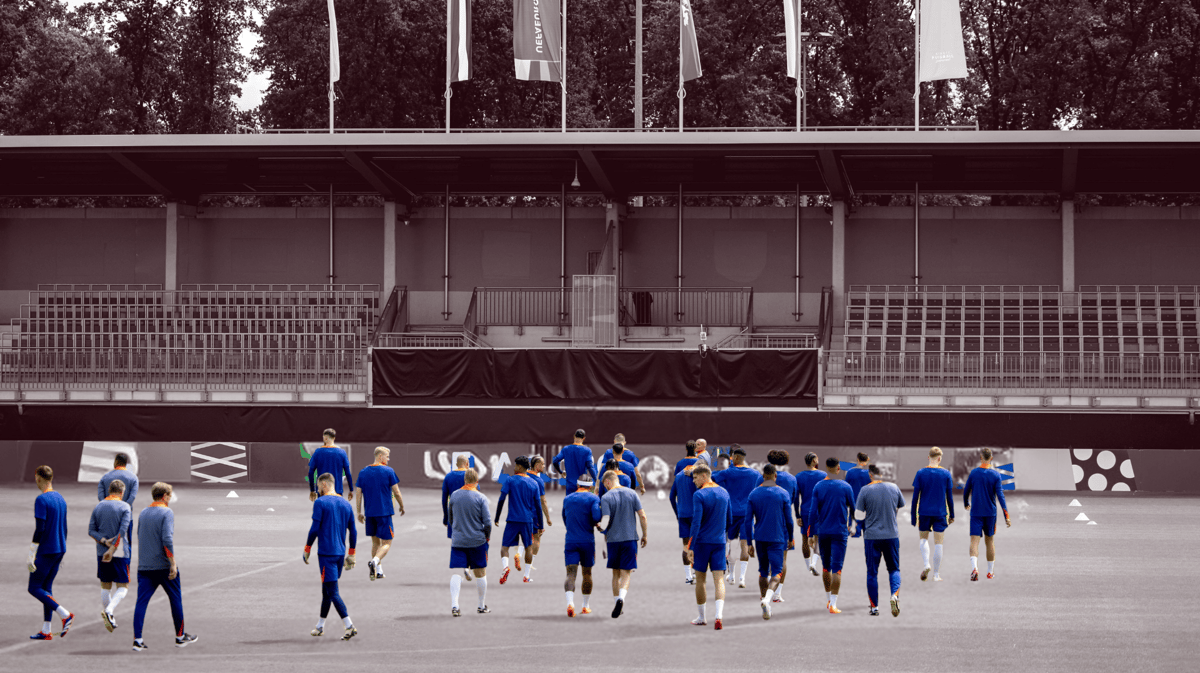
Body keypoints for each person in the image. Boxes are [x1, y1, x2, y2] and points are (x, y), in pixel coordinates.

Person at [132, 482, 197, 650]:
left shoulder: (144, 512)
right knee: (175, 598)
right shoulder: (167, 512)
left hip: (145, 566)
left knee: (141, 603)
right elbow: (167, 539)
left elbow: (140, 535)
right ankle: (180, 637)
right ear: (165, 496)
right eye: (169, 495)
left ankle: (137, 640)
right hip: (163, 566)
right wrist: (173, 563)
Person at [304, 473, 358, 640]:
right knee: (327, 590)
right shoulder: (346, 504)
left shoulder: (320, 503)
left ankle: (349, 626)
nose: (318, 490)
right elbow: (353, 531)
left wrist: (307, 548)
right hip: (340, 554)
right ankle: (320, 626)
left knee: (332, 591)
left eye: (319, 486)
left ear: (325, 484)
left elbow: (314, 529)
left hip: (327, 554)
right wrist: (352, 554)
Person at [27, 465, 74, 641]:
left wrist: (32, 553)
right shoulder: (61, 498)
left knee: (34, 588)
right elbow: (65, 527)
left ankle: (65, 614)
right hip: (60, 548)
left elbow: (40, 529)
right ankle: (46, 630)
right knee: (46, 588)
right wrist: (62, 550)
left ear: (39, 477)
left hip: (47, 550)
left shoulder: (42, 500)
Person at [855, 464, 905, 617]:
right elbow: (899, 506)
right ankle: (894, 596)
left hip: (872, 537)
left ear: (870, 475)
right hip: (891, 535)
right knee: (894, 569)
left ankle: (875, 607)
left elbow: (858, 516)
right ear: (882, 474)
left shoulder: (865, 490)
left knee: (872, 573)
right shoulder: (894, 488)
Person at [686, 463, 731, 629]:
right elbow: (730, 519)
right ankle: (719, 616)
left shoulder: (699, 495)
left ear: (704, 476)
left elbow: (696, 523)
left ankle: (702, 617)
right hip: (719, 542)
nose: (693, 481)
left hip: (702, 543)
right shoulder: (724, 492)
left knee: (700, 580)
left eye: (695, 478)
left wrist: (690, 546)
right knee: (719, 579)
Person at [746, 464, 794, 620]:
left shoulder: (754, 494)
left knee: (762, 572)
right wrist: (791, 537)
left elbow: (747, 521)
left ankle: (763, 601)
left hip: (760, 538)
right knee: (777, 572)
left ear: (763, 476)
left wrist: (748, 543)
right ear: (775, 476)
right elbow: (789, 520)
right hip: (777, 538)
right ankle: (767, 600)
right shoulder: (783, 493)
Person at [598, 470, 647, 618]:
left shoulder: (606, 497)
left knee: (615, 574)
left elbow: (605, 519)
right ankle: (621, 598)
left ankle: (616, 602)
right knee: (626, 573)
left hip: (613, 540)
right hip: (630, 539)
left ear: (607, 481)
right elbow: (642, 516)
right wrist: (645, 534)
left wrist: (600, 528)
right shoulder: (632, 493)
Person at [712, 445, 762, 587]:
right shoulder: (755, 474)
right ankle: (742, 578)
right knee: (744, 545)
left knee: (731, 544)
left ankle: (732, 575)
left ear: (735, 458)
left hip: (731, 513)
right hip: (747, 513)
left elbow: (710, 478)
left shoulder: (727, 473)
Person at [810, 457, 855, 614]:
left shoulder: (819, 486)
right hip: (840, 533)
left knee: (825, 568)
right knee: (837, 569)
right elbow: (854, 509)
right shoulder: (846, 486)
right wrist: (853, 525)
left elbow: (812, 512)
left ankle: (829, 599)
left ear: (826, 468)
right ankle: (834, 604)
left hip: (823, 532)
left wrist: (811, 534)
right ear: (838, 469)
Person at [89, 479, 133, 632]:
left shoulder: (99, 506)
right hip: (120, 552)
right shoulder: (125, 507)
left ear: (109, 491)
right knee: (123, 586)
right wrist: (113, 548)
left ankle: (110, 618)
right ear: (122, 492)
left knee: (105, 585)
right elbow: (122, 531)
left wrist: (104, 542)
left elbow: (91, 530)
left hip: (102, 551)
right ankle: (109, 611)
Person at [355, 446, 405, 581]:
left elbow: (358, 493)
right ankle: (375, 561)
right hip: (384, 512)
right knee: (387, 543)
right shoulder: (388, 471)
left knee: (375, 543)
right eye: (387, 457)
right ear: (380, 456)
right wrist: (401, 506)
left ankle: (379, 571)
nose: (388, 460)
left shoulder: (363, 472)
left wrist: (359, 511)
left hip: (370, 513)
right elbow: (397, 492)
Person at [447, 468, 491, 616]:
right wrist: (487, 537)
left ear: (464, 480)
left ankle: (455, 605)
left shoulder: (454, 495)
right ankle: (481, 605)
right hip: (477, 540)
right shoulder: (481, 498)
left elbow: (451, 518)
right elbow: (488, 523)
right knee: (480, 572)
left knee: (457, 572)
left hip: (459, 540)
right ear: (477, 481)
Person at [964, 447, 1011, 581]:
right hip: (990, 513)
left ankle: (975, 568)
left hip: (976, 513)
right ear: (991, 458)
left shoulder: (974, 473)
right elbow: (1000, 496)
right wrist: (1006, 515)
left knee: (974, 541)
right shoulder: (996, 475)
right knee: (989, 541)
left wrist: (966, 503)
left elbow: (966, 490)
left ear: (980, 457)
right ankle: (990, 572)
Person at [494, 456, 542, 585]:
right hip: (527, 520)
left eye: (515, 465)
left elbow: (502, 499)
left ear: (520, 467)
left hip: (512, 520)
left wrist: (497, 517)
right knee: (528, 548)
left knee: (504, 548)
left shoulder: (510, 480)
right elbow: (538, 505)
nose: (514, 467)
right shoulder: (534, 483)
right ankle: (526, 576)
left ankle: (505, 567)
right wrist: (541, 524)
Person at [911, 446, 955, 581]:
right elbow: (949, 497)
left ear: (928, 457)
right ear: (940, 458)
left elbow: (915, 497)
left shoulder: (920, 473)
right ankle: (936, 575)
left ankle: (926, 564)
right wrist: (952, 514)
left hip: (924, 512)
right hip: (940, 513)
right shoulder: (946, 474)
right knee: (938, 543)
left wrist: (913, 515)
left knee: (923, 539)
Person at [561, 477, 602, 617]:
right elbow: (597, 517)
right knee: (587, 574)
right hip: (587, 541)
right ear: (590, 487)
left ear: (577, 484)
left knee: (571, 573)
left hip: (571, 540)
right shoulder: (593, 498)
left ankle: (570, 603)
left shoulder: (567, 499)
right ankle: (585, 606)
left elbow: (564, 518)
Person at [765, 450, 798, 602]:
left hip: (764, 519)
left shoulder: (762, 476)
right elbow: (794, 499)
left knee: (766, 555)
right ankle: (777, 593)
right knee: (782, 558)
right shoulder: (792, 479)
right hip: (783, 521)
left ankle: (765, 588)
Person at [522, 455, 553, 583]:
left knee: (523, 535)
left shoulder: (522, 477)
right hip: (534, 514)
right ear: (536, 465)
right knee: (537, 538)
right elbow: (543, 500)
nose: (544, 466)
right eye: (543, 464)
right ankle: (527, 571)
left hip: (521, 512)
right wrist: (548, 518)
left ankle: (518, 552)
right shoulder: (538, 481)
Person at [795, 451, 826, 576]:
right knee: (818, 538)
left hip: (805, 510)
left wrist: (797, 515)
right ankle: (814, 562)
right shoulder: (823, 474)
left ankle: (808, 566)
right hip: (820, 511)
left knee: (804, 539)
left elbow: (796, 497)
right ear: (814, 461)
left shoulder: (799, 476)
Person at [669, 462, 700, 584]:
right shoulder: (697, 476)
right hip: (696, 515)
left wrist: (678, 513)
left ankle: (688, 576)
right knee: (698, 544)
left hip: (683, 514)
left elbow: (672, 497)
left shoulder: (679, 476)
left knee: (685, 545)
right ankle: (697, 574)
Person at [308, 428, 353, 503]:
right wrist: (351, 489)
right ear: (334, 438)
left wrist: (312, 490)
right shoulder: (342, 452)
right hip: (337, 490)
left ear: (325, 438)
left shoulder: (318, 452)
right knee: (336, 513)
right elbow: (348, 473)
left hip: (322, 490)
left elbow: (311, 472)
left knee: (323, 513)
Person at [844, 452, 872, 538]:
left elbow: (846, 488)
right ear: (867, 461)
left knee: (853, 533)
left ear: (858, 460)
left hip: (853, 503)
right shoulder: (869, 474)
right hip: (866, 504)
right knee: (868, 533)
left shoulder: (850, 472)